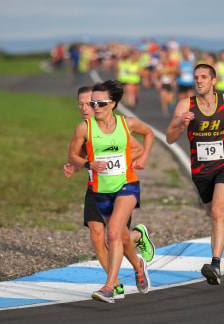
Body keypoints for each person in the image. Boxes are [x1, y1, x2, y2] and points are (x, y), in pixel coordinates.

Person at [63, 86, 155, 300]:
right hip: (100, 189)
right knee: (121, 238)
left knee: (112, 232)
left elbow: (148, 134)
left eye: (99, 103)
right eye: (90, 103)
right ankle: (139, 265)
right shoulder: (84, 129)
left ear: (113, 103)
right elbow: (72, 156)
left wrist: (143, 158)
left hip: (127, 185)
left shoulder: (126, 124)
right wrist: (87, 164)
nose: (93, 107)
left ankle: (110, 287)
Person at [166, 63, 224, 285]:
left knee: (219, 211)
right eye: (196, 77)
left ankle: (215, 264)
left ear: (213, 81)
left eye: (203, 77)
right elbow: (170, 138)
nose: (198, 81)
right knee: (217, 215)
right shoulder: (185, 105)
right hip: (201, 170)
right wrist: (181, 125)